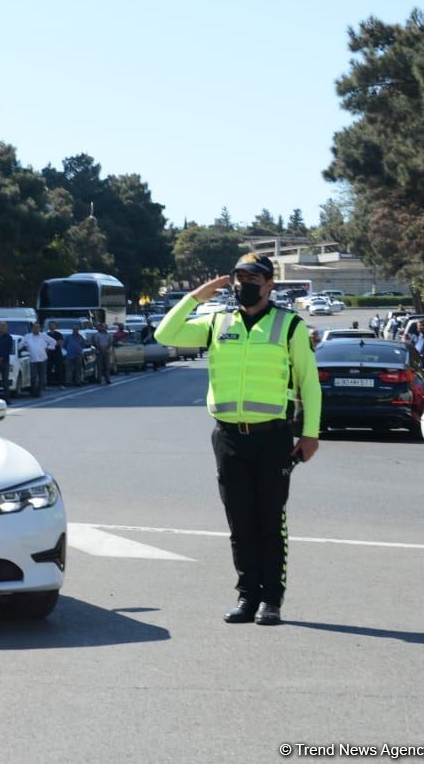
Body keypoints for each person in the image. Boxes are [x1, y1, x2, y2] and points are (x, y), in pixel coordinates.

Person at [155, 254, 320, 626]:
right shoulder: (216, 322)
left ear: (269, 285)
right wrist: (196, 296)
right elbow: (165, 334)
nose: (244, 283)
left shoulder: (288, 325)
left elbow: (309, 383)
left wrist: (310, 434)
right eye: (239, 277)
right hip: (229, 437)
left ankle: (272, 601)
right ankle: (248, 596)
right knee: (240, 521)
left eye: (252, 277)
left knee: (270, 520)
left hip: (272, 437)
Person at [22, 324, 55, 397]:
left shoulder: (44, 336)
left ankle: (39, 391)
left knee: (41, 377)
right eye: (34, 328)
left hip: (42, 359)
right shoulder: (27, 336)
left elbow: (53, 342)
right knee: (33, 376)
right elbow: (20, 345)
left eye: (37, 328)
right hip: (33, 359)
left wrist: (48, 348)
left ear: (40, 329)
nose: (36, 329)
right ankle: (33, 391)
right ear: (32, 329)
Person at [46, 321, 64, 387]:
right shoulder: (47, 334)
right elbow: (45, 343)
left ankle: (61, 383)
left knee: (59, 368)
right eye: (50, 325)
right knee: (48, 369)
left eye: (52, 325)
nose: (51, 327)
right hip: (49, 354)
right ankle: (49, 384)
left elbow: (59, 342)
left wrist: (52, 345)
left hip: (57, 353)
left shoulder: (58, 334)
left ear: (55, 326)